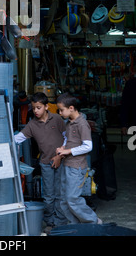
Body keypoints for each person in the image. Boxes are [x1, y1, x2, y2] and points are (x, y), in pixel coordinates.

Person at [14, 92, 68, 231]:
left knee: (61, 194)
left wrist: (61, 155)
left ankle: (60, 222)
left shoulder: (57, 119)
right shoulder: (32, 125)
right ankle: (50, 222)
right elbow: (17, 139)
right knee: (49, 196)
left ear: (46, 107)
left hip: (62, 161)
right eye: (34, 108)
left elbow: (67, 138)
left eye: (38, 107)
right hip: (46, 163)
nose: (36, 111)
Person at [56, 92, 102, 225]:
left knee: (72, 199)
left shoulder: (82, 124)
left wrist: (68, 151)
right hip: (67, 164)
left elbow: (88, 146)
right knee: (64, 200)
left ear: (71, 108)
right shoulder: (69, 123)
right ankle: (75, 226)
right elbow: (68, 139)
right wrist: (62, 148)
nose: (60, 113)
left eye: (61, 110)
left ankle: (94, 221)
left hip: (76, 168)